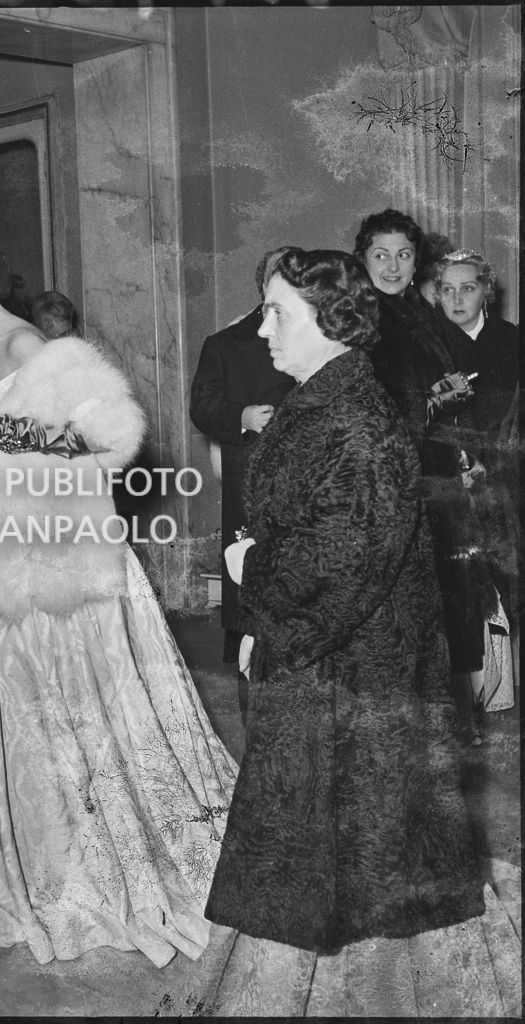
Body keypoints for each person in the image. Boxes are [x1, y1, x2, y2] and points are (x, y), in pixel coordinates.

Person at [0, 221, 237, 967]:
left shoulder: (32, 349)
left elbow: (110, 444)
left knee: (57, 714)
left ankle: (75, 869)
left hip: (45, 564)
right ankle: (7, 859)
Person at [205, 248, 484, 962]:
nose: (263, 330)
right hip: (328, 648)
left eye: (277, 313)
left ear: (329, 321)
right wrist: (260, 622)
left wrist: (249, 573)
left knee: (360, 842)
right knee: (342, 839)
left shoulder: (357, 424)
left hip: (351, 660)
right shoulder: (322, 403)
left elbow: (340, 562)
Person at [354, 208, 485, 744]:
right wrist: (434, 399)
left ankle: (441, 720)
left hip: (433, 472)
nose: (392, 265)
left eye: (404, 254)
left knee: (443, 598)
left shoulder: (417, 311)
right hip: (390, 483)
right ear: (363, 259)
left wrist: (458, 448)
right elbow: (371, 412)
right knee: (405, 604)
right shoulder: (362, 318)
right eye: (381, 255)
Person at [189, 248, 295, 715]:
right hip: (252, 488)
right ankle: (255, 713)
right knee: (250, 596)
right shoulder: (227, 343)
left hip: (312, 488)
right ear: (262, 284)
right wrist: (243, 416)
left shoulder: (327, 338)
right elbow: (202, 407)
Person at [435, 249, 519, 712]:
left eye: (467, 288)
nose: (457, 298)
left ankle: (499, 693)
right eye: (447, 289)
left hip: (502, 478)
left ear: (486, 291)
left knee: (499, 580)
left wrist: (490, 460)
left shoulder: (511, 341)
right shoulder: (430, 345)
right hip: (449, 476)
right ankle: (463, 699)